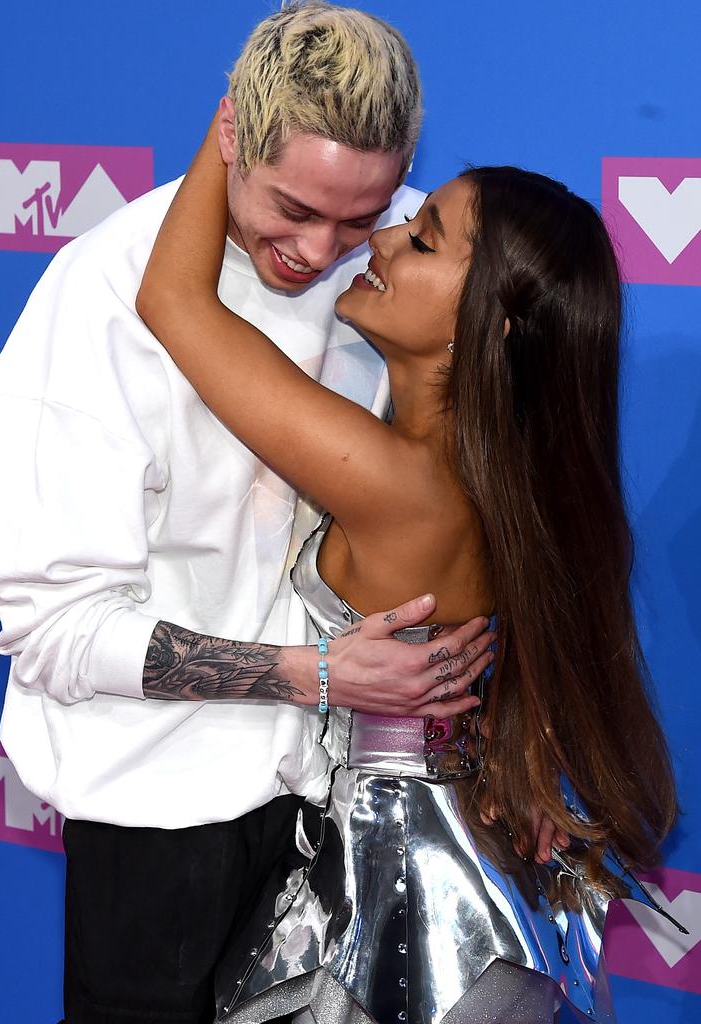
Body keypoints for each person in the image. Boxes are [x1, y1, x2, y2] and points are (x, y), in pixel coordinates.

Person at [0, 5, 495, 1023]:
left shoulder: (412, 263)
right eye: (293, 207)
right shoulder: (102, 297)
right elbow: (57, 631)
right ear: (232, 140)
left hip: (338, 819)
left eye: (365, 214)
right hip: (162, 828)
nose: (323, 248)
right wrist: (316, 674)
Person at [135, 121, 682, 1023]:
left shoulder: (405, 486)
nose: (382, 239)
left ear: (496, 322)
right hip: (457, 880)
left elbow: (174, 302)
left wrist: (236, 126)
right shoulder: (501, 479)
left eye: (422, 237)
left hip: (404, 916)